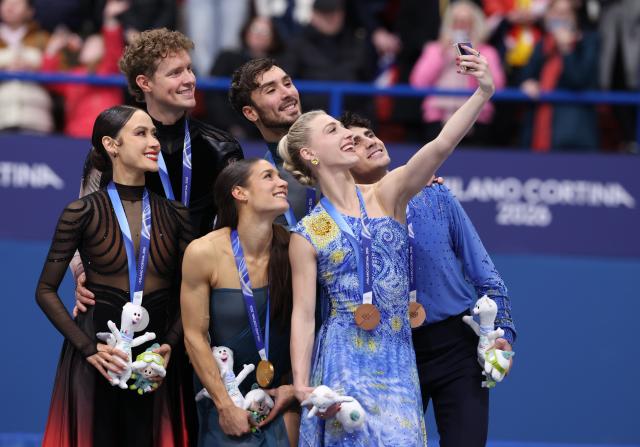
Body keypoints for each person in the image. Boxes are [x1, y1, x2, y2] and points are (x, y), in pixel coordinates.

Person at [280, 46, 495, 445]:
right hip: (343, 357)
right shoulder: (308, 232)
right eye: (333, 131)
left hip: (397, 355)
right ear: (310, 155)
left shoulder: (388, 194)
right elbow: (304, 316)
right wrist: (300, 383)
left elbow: (441, 144)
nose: (347, 135)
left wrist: (482, 92)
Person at [339, 110, 516, 446]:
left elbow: (487, 277)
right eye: (355, 142)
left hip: (458, 350)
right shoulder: (341, 220)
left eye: (369, 134)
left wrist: (504, 332)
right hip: (391, 353)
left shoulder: (435, 195)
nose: (370, 141)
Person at [36, 105, 194, 446]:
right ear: (112, 144)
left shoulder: (176, 215)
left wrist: (170, 343)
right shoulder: (81, 211)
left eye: (153, 133)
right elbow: (45, 290)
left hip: (156, 361)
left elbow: (192, 293)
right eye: (141, 133)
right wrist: (88, 348)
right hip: (96, 358)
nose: (153, 142)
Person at [75, 27, 244, 312]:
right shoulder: (111, 149)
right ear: (145, 83)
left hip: (200, 298)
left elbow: (239, 228)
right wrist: (81, 274)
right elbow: (82, 222)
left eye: (190, 69)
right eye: (175, 72)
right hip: (125, 300)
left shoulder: (221, 148)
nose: (190, 79)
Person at [180, 158, 297, 446]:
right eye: (268, 176)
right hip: (226, 400)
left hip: (280, 401)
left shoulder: (295, 247)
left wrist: (294, 389)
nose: (281, 182)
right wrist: (225, 405)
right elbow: (194, 336)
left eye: (279, 176)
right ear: (239, 193)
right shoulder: (203, 252)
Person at [229, 57, 318, 227]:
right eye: (271, 90)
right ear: (251, 113)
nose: (287, 93)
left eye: (287, 83)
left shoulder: (339, 146)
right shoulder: (261, 186)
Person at [410, 0, 506, 145]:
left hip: (476, 118)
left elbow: (497, 86)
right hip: (437, 116)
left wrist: (473, 56)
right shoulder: (435, 49)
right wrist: (442, 53)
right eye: (456, 21)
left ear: (475, 24)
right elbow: (418, 82)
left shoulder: (487, 52)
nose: (461, 26)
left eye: (466, 22)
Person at [520, 0, 599, 151]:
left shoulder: (588, 42)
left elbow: (579, 80)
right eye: (555, 12)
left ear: (574, 17)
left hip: (573, 135)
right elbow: (526, 75)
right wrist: (527, 82)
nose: (559, 18)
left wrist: (566, 50)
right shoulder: (542, 45)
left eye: (565, 13)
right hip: (539, 130)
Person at [41, 0, 128, 138]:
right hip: (74, 135)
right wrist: (53, 48)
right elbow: (48, 80)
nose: (88, 45)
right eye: (88, 43)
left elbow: (113, 46)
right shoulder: (73, 74)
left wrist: (109, 19)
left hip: (105, 136)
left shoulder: (109, 69)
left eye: (95, 44)